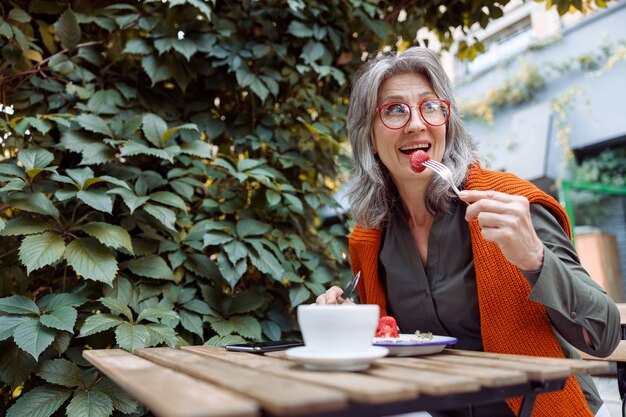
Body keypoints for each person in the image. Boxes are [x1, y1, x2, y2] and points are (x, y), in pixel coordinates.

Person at [316, 47, 620, 417]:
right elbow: (389, 344)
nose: (416, 123)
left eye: (431, 106)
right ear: (370, 136)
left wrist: (535, 259)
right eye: (394, 110)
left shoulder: (511, 203)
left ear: (447, 121)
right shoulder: (370, 236)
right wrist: (349, 320)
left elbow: (602, 336)